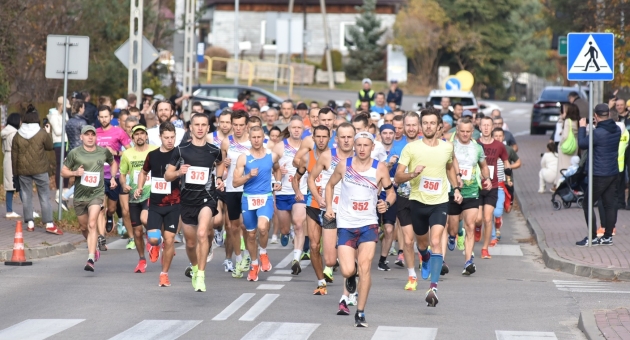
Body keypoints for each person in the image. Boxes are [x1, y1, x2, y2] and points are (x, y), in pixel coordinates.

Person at [324, 131, 395, 327]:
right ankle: (350, 278)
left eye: (366, 145)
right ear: (354, 146)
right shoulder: (344, 165)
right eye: (359, 145)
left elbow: (391, 193)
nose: (362, 149)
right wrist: (330, 207)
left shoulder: (379, 168)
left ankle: (361, 312)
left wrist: (386, 204)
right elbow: (329, 186)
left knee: (365, 268)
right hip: (346, 224)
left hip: (368, 224)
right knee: (348, 270)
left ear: (373, 147)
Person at [394, 108, 462, 307]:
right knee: (422, 244)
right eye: (426, 123)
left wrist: (456, 187)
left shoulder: (447, 147)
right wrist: (412, 174)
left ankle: (433, 287)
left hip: (439, 201)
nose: (429, 126)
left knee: (436, 241)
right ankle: (423, 256)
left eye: (433, 123)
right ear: (421, 125)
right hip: (417, 201)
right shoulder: (411, 149)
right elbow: (398, 177)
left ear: (439, 126)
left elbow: (449, 167)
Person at [164, 113, 225, 292]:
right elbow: (167, 175)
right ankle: (195, 266)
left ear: (208, 128)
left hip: (207, 198)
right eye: (196, 124)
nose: (200, 128)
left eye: (203, 125)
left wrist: (219, 177)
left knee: (202, 233)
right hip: (187, 200)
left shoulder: (214, 150)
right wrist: (178, 173)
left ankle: (201, 275)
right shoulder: (181, 150)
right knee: (190, 243)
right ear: (190, 128)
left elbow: (221, 163)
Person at [62, 125, 117, 271]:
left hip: (96, 194)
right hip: (80, 195)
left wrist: (112, 177)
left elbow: (113, 163)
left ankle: (91, 258)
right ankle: (94, 248)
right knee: (83, 227)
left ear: (96, 137)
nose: (90, 137)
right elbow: (63, 171)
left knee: (93, 224)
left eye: (93, 134)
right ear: (81, 137)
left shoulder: (103, 151)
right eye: (87, 135)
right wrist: (75, 173)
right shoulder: (75, 153)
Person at [232, 126, 281, 281]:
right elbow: (234, 182)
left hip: (265, 197)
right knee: (251, 234)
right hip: (248, 199)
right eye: (253, 137)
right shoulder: (244, 158)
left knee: (262, 227)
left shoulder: (271, 156)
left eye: (259, 137)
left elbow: (277, 169)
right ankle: (254, 265)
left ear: (263, 138)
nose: (256, 140)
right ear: (250, 138)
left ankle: (264, 252)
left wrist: (278, 181)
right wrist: (248, 176)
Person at [137, 122, 181, 286]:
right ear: (160, 137)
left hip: (174, 204)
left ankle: (164, 274)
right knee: (155, 239)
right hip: (155, 204)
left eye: (172, 137)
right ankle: (155, 245)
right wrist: (140, 188)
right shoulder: (153, 155)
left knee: (169, 240)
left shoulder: (179, 155)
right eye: (166, 137)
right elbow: (143, 172)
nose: (170, 141)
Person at [446, 118, 492, 276]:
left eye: (468, 131)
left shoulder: (477, 148)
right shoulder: (450, 146)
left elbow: (484, 166)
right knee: (452, 228)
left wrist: (487, 179)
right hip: (452, 192)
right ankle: (453, 235)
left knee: (470, 226)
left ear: (472, 132)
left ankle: (468, 262)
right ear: (457, 131)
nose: (465, 134)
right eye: (462, 131)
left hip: (471, 192)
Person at [576, 104, 620, 246]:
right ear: (607, 114)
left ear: (595, 116)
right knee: (610, 204)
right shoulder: (617, 129)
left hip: (599, 173)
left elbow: (582, 144)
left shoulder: (597, 133)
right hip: (613, 172)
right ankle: (607, 236)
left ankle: (593, 236)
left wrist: (582, 127)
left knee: (587, 204)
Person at [11, 109, 61, 234]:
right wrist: (48, 132)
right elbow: (50, 147)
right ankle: (49, 223)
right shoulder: (41, 133)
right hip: (40, 169)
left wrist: (15, 173)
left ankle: (30, 223)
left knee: (26, 196)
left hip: (23, 170)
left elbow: (14, 156)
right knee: (44, 195)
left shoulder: (18, 134)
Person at [273, 117, 309, 275]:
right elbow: (270, 165)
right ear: (289, 128)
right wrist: (278, 170)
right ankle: (285, 233)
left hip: (301, 191)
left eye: (299, 128)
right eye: (293, 127)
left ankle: (296, 258)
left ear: (303, 129)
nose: (296, 130)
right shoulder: (281, 146)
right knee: (285, 227)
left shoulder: (308, 146)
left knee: (299, 224)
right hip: (283, 192)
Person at [299, 125, 333, 293]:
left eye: (324, 136)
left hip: (332, 207)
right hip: (312, 204)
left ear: (329, 137)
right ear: (313, 138)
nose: (321, 140)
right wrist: (298, 191)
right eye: (318, 136)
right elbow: (297, 177)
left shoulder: (335, 157)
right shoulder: (307, 157)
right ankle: (321, 282)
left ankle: (332, 267)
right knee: (313, 246)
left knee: (333, 249)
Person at [119, 125, 158, 273]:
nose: (140, 137)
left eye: (142, 134)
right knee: (136, 232)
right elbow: (122, 174)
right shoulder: (127, 154)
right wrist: (124, 184)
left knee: (146, 219)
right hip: (134, 195)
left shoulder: (154, 150)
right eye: (137, 134)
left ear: (146, 136)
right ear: (132, 137)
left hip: (151, 193)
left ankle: (154, 241)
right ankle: (142, 259)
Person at [221, 110, 253, 277]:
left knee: (246, 225)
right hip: (232, 189)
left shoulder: (253, 142)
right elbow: (222, 166)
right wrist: (224, 166)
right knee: (233, 226)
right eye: (236, 125)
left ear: (247, 125)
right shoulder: (227, 142)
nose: (238, 128)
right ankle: (239, 258)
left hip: (249, 188)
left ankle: (248, 255)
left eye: (241, 125)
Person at [96, 105, 132, 251]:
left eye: (106, 116)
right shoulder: (95, 132)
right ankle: (101, 238)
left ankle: (111, 216)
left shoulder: (118, 132)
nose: (104, 119)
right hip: (98, 176)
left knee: (110, 208)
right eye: (101, 117)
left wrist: (116, 152)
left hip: (114, 176)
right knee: (100, 207)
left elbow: (130, 152)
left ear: (111, 117)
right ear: (98, 118)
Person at [475, 116, 510, 259]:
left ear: (492, 127)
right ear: (480, 127)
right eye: (483, 125)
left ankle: (485, 249)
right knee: (478, 219)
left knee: (488, 218)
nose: (486, 128)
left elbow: (506, 162)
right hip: (476, 186)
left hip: (493, 186)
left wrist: (508, 177)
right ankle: (478, 227)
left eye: (488, 125)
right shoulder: (475, 144)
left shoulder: (499, 146)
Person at [376, 124, 397, 271]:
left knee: (389, 229)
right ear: (380, 134)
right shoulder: (374, 149)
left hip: (391, 192)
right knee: (374, 229)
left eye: (391, 133)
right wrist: (388, 166)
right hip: (375, 192)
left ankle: (382, 260)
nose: (388, 136)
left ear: (394, 135)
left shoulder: (399, 150)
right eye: (385, 133)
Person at [48, 96, 70, 200]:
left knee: (67, 165)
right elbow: (57, 131)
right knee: (59, 166)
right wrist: (66, 126)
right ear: (61, 106)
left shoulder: (65, 114)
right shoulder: (53, 116)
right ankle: (58, 190)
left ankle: (65, 188)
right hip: (58, 143)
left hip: (66, 142)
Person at [554, 103, 580, 187]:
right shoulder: (577, 121)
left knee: (562, 166)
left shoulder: (568, 121)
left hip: (566, 146)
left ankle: (560, 184)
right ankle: (571, 184)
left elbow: (565, 135)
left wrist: (560, 144)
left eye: (565, 110)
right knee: (571, 166)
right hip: (574, 145)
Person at [2, 113, 22, 218]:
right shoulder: (15, 133)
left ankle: (9, 210)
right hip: (14, 158)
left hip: (7, 157)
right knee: (20, 184)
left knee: (9, 185)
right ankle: (12, 211)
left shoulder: (5, 132)